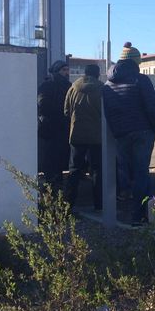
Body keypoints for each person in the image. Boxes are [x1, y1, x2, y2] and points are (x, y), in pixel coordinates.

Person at [102, 42, 155, 226]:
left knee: (125, 172)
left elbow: (108, 111)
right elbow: (152, 107)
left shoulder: (108, 83)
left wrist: (117, 130)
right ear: (135, 61)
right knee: (142, 173)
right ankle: (140, 216)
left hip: (121, 133)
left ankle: (125, 210)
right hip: (142, 131)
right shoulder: (141, 80)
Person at [64, 64, 104, 210]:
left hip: (76, 135)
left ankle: (68, 205)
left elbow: (66, 111)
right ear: (98, 74)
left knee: (74, 169)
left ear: (84, 73)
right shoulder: (102, 88)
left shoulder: (73, 88)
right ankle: (99, 204)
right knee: (97, 170)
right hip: (96, 136)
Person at [37, 60, 71, 191]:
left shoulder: (64, 85)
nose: (66, 72)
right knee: (52, 154)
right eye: (64, 70)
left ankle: (54, 179)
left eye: (67, 70)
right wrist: (61, 111)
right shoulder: (50, 85)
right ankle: (52, 179)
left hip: (55, 125)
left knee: (57, 154)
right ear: (57, 71)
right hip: (53, 125)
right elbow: (42, 103)